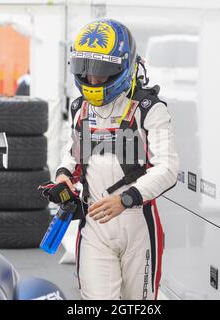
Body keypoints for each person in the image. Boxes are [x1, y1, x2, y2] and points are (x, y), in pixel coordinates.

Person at [55, 19, 179, 300]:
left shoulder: (148, 109)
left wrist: (125, 200)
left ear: (123, 67)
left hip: (138, 225)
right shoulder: (81, 108)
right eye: (85, 72)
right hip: (95, 225)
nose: (92, 80)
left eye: (101, 72)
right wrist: (63, 175)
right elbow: (73, 153)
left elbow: (169, 169)